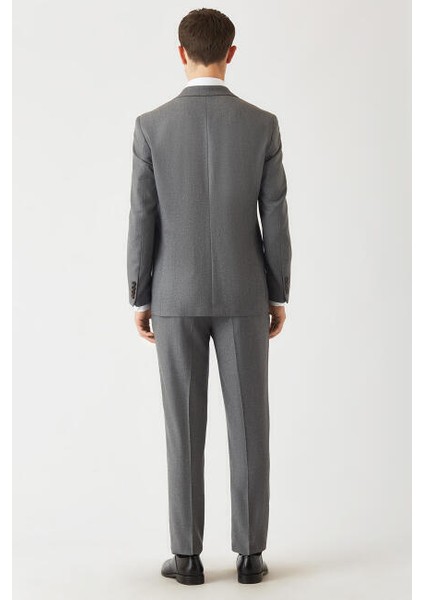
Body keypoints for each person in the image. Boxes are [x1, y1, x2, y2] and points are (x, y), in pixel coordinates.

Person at [127, 7, 292, 585]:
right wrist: (277, 291)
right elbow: (275, 215)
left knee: (183, 427)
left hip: (174, 294)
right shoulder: (261, 124)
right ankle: (250, 556)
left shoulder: (151, 126)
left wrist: (140, 294)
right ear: (231, 52)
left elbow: (143, 216)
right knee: (250, 426)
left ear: (181, 53)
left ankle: (187, 558)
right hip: (246, 294)